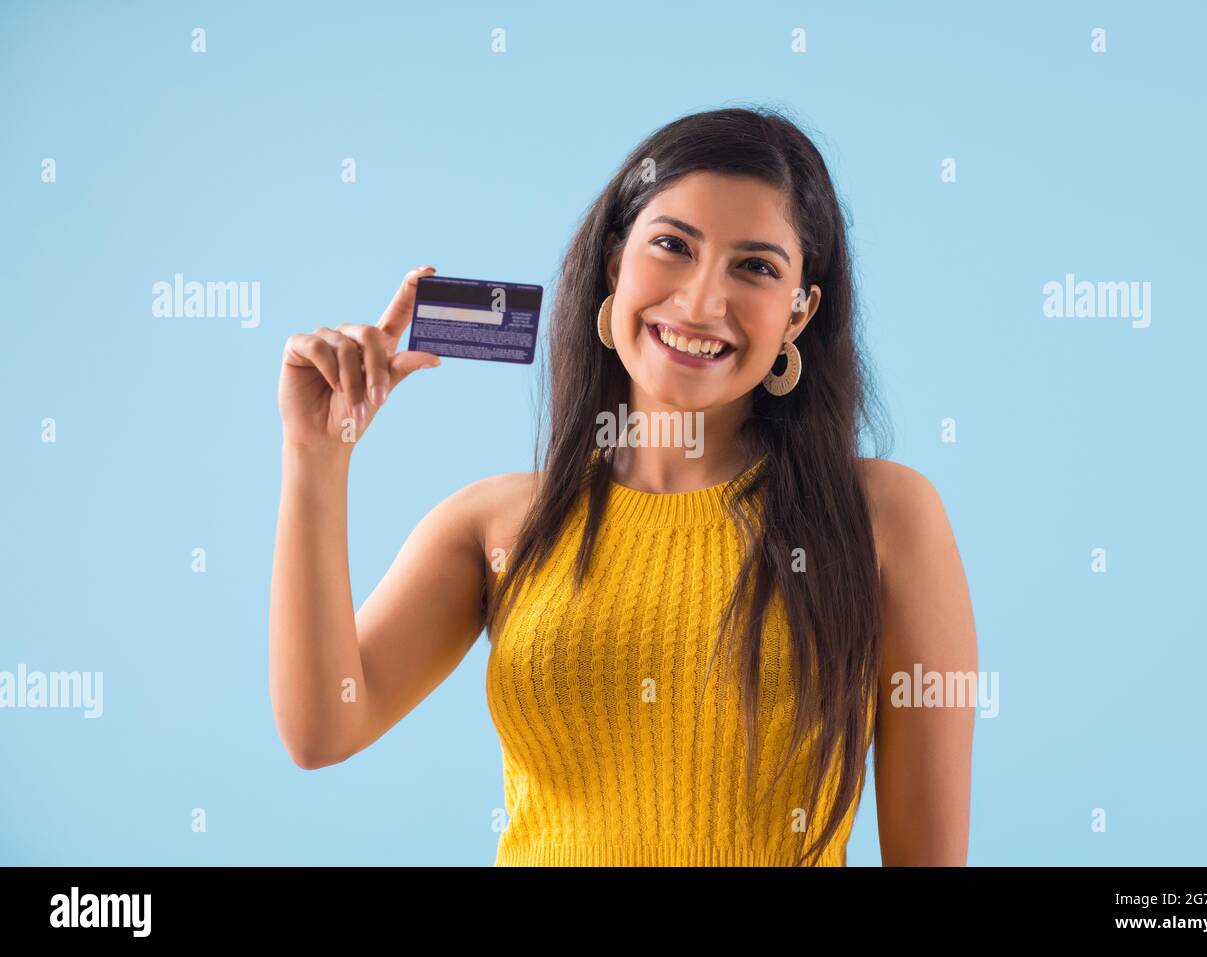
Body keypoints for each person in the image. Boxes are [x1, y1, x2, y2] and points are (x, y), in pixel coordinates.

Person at [269, 106, 977, 866]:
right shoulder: (496, 526)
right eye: (673, 246)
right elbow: (321, 731)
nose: (702, 302)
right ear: (615, 262)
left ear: (800, 312)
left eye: (757, 267)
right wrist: (317, 456)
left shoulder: (883, 517)